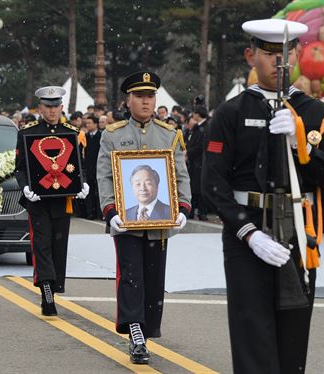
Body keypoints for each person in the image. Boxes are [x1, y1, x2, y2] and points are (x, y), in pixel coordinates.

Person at [201, 19, 324, 374]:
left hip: (298, 232)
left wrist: (302, 146)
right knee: (252, 336)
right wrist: (248, 233)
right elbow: (213, 183)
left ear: (297, 54)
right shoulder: (231, 113)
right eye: (269, 54)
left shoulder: (315, 113)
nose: (279, 63)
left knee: (292, 343)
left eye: (286, 53)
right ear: (251, 56)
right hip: (246, 235)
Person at [96, 71, 191, 365]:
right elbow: (104, 177)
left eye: (150, 96)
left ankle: (147, 329)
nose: (146, 102)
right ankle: (135, 331)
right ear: (128, 100)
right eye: (140, 96)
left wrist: (184, 208)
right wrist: (110, 211)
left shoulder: (170, 134)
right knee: (131, 277)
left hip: (160, 224)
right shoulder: (113, 135)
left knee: (153, 279)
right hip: (127, 222)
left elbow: (181, 176)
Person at [14, 86, 90, 316]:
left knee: (59, 244)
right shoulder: (27, 132)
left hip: (62, 198)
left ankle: (55, 286)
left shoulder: (72, 132)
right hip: (38, 199)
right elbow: (20, 168)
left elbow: (78, 166)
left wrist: (83, 183)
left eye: (56, 106)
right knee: (42, 244)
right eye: (48, 106)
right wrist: (26, 187)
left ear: (62, 107)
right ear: (40, 108)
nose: (52, 110)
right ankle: (46, 289)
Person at [186, 105, 209, 221]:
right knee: (193, 188)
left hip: (201, 162)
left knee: (200, 189)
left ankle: (202, 212)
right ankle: (192, 211)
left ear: (198, 114)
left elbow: (201, 146)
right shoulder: (196, 127)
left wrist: (188, 153)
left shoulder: (207, 127)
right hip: (194, 163)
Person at [82, 114, 101, 220]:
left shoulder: (101, 136)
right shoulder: (85, 137)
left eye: (90, 123)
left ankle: (101, 213)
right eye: (86, 123)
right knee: (89, 192)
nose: (87, 125)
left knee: (98, 192)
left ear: (95, 124)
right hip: (89, 168)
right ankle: (91, 213)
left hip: (98, 167)